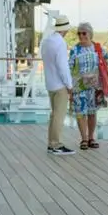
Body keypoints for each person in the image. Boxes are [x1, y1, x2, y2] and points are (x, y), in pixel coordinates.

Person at [69, 22, 108, 150]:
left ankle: (91, 137)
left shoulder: (97, 48)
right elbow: (69, 68)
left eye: (84, 33)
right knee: (81, 113)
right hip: (79, 86)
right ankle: (84, 139)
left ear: (90, 34)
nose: (81, 36)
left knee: (92, 112)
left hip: (94, 86)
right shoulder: (75, 50)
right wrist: (69, 88)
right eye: (79, 33)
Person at [40, 16, 75, 155]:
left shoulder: (46, 41)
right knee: (59, 116)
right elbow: (62, 67)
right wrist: (69, 85)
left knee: (54, 115)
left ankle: (51, 144)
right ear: (65, 30)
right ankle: (55, 145)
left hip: (50, 83)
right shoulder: (60, 43)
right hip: (60, 85)